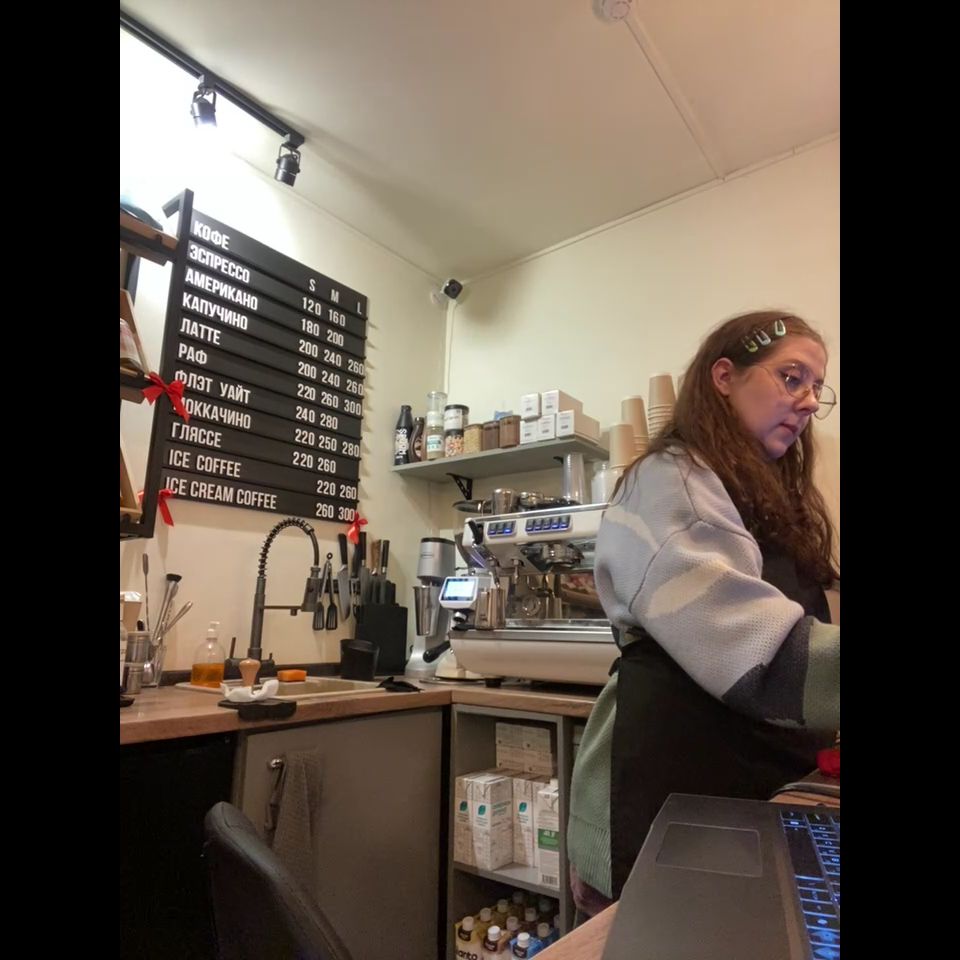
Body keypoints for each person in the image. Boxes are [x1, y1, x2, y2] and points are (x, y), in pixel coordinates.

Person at [567, 310, 840, 917]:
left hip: (744, 789)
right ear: (724, 376)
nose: (806, 401)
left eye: (817, 388)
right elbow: (754, 649)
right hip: (668, 789)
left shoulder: (761, 497)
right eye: (791, 377)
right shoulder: (670, 481)